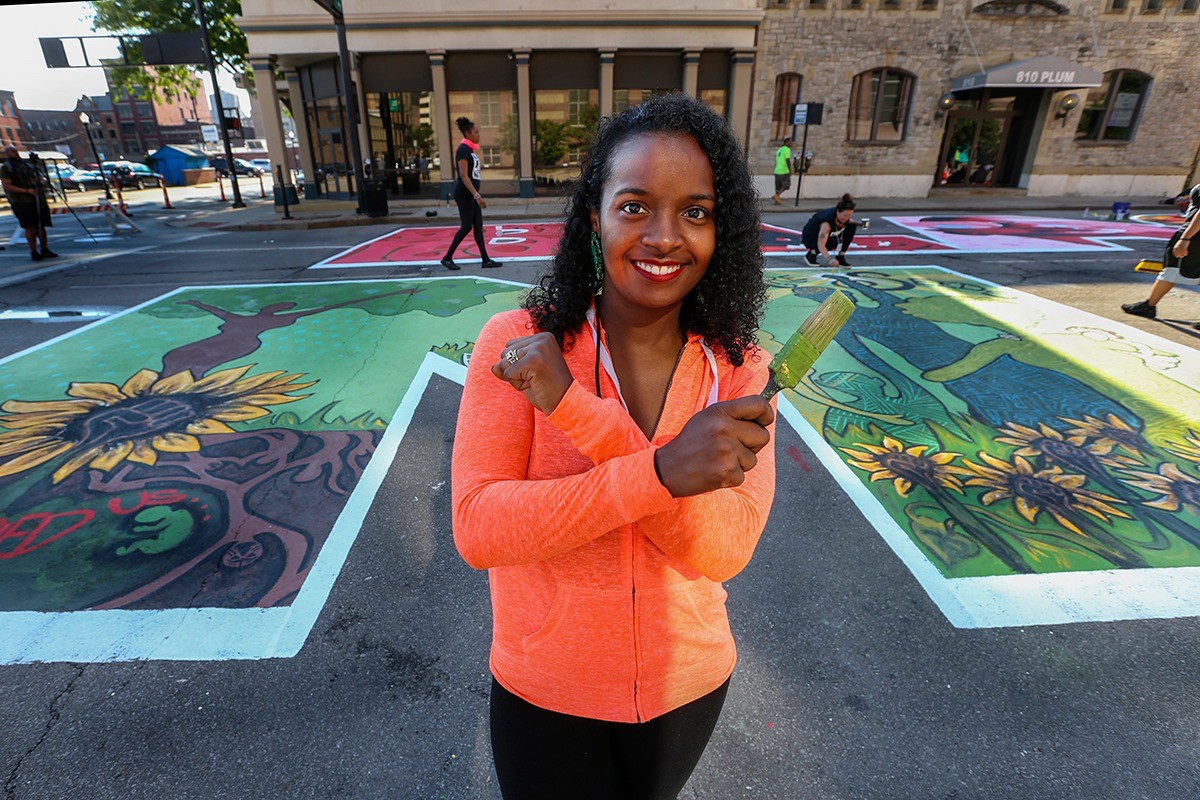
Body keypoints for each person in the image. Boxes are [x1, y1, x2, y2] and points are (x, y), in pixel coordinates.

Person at [451, 93, 777, 800]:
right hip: (545, 688)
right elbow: (479, 527)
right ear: (593, 218)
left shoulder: (740, 367)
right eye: (634, 206)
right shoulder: (519, 348)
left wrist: (574, 412)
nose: (665, 236)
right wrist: (660, 472)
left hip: (686, 688)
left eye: (696, 212)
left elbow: (727, 551)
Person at [1121, 181, 1200, 330]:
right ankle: (1149, 305)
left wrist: (1185, 238)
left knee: (1172, 269)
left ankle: (1149, 305)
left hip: (1195, 236)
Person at [440, 116, 502, 271]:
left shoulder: (469, 150)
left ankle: (485, 260)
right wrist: (477, 195)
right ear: (467, 133)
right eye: (475, 132)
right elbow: (464, 176)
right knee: (467, 226)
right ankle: (447, 258)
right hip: (464, 194)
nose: (478, 134)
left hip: (471, 194)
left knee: (478, 226)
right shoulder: (463, 150)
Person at [1, 147, 56, 262]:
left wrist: (38, 181)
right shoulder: (7, 168)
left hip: (37, 199)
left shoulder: (28, 165)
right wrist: (26, 191)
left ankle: (44, 248)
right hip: (21, 201)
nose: (15, 153)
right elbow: (7, 186)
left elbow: (37, 179)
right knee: (29, 226)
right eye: (12, 151)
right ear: (7, 154)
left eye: (16, 151)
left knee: (41, 225)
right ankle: (34, 251)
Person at [801, 193, 858, 268]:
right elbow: (821, 244)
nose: (846, 218)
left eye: (849, 215)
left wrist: (861, 224)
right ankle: (812, 253)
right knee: (831, 244)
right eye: (845, 216)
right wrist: (829, 259)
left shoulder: (842, 216)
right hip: (811, 236)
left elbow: (849, 221)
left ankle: (841, 256)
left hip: (828, 233)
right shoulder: (826, 223)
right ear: (837, 211)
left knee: (852, 226)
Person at [770, 135, 793, 205]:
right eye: (790, 142)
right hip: (784, 171)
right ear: (786, 142)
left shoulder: (779, 150)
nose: (791, 143)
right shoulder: (786, 149)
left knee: (778, 187)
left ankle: (776, 201)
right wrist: (790, 170)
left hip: (777, 171)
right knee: (786, 185)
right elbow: (787, 160)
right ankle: (776, 195)